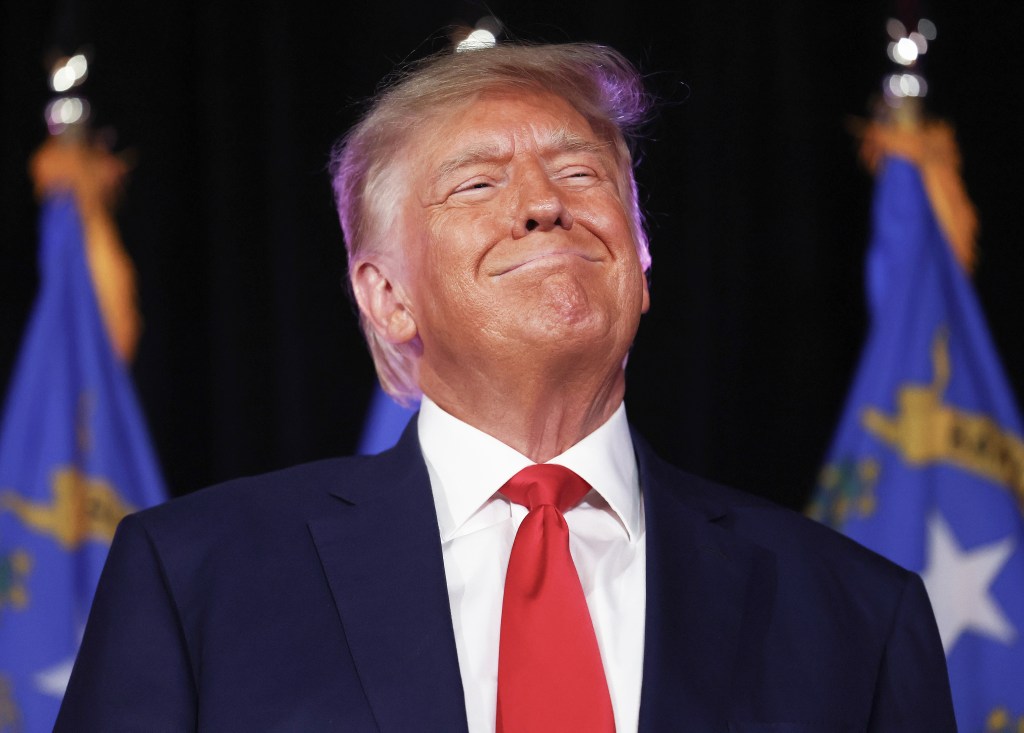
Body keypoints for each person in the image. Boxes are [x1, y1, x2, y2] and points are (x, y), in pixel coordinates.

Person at [56, 42, 956, 731]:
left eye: (580, 172)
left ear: (641, 263)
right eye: (478, 182)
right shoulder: (196, 580)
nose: (542, 203)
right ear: (388, 297)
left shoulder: (855, 611)